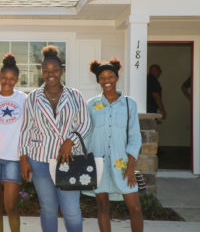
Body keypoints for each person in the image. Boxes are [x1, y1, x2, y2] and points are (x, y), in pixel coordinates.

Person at [19, 45, 91, 232]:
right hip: (40, 160)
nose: (50, 74)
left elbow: (85, 123)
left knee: (71, 210)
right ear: (41, 71)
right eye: (46, 70)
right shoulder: (32, 98)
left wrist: (70, 141)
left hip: (69, 160)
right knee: (48, 208)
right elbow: (26, 129)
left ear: (62, 71)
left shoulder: (75, 95)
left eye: (55, 70)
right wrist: (23, 159)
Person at [85, 58, 143, 232]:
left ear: (117, 78)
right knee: (102, 207)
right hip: (98, 163)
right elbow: (86, 135)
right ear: (98, 81)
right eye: (102, 77)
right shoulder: (91, 105)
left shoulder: (129, 104)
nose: (107, 80)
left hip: (123, 163)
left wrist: (131, 166)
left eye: (110, 76)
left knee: (136, 207)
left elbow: (134, 136)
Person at [0, 53, 27, 232]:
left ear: (17, 79)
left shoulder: (23, 99)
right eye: (4, 78)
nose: (7, 82)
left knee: (10, 206)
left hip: (13, 158)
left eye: (11, 79)